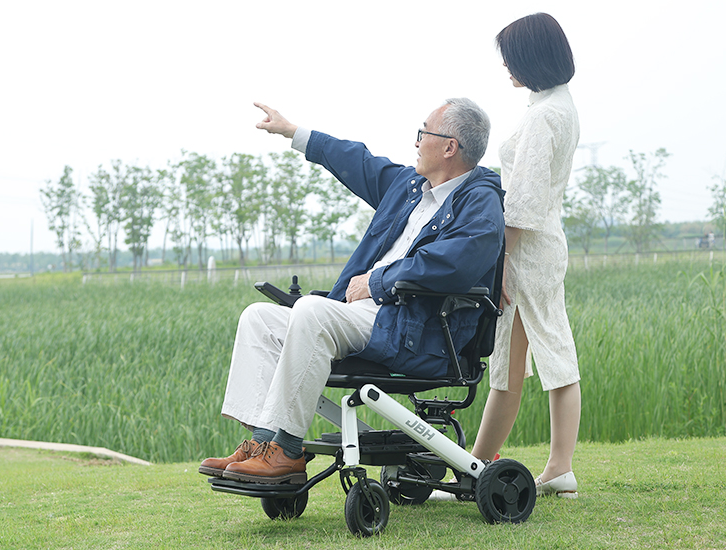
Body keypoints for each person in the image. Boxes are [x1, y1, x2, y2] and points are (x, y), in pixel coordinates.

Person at [198, 98, 505, 484]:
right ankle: (262, 443)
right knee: (257, 317)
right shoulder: (409, 187)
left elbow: (457, 263)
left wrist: (377, 282)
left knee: (311, 310)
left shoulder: (480, 201)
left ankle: (286, 451)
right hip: (371, 317)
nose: (416, 142)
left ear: (449, 147)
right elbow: (357, 161)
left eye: (423, 132)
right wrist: (295, 133)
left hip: (417, 331)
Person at [469, 12, 582, 498]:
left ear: (532, 58)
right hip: (540, 245)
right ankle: (479, 464)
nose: (506, 68)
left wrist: (497, 265)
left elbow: (524, 201)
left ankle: (555, 466)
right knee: (514, 363)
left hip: (528, 250)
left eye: (511, 58)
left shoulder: (545, 115)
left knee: (546, 356)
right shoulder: (555, 104)